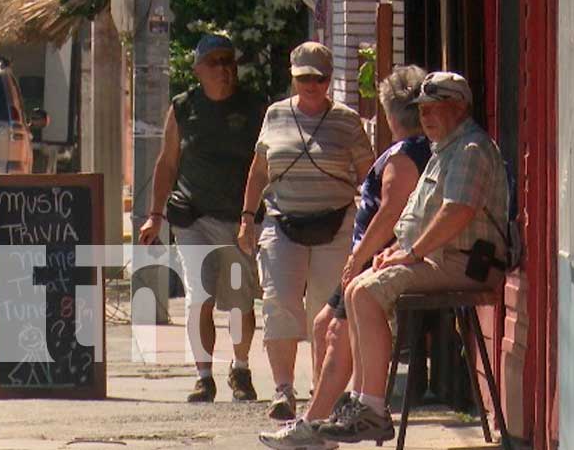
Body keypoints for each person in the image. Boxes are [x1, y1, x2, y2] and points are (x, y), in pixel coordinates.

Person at [313, 71, 509, 445]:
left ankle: (371, 409)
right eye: (423, 110)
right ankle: (363, 403)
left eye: (438, 108)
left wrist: (411, 253)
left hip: (466, 263)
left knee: (368, 292)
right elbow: (420, 216)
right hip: (439, 258)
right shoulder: (443, 149)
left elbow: (457, 212)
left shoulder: (470, 148)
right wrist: (396, 250)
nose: (428, 117)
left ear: (461, 108)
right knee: (359, 288)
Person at [258, 65, 431, 449]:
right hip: (373, 254)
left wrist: (359, 258)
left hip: (378, 258)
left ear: (390, 112)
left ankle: (315, 426)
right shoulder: (413, 150)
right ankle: (323, 422)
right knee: (323, 324)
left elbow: (390, 214)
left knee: (335, 331)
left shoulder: (405, 156)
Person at [238, 41, 374, 421]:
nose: (311, 84)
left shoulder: (347, 121)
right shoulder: (275, 115)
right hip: (283, 221)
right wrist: (248, 217)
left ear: (329, 80)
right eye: (303, 78)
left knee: (324, 309)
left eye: (319, 78)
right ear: (293, 77)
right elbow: (260, 170)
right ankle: (283, 389)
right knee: (279, 300)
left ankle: (322, 390)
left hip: (336, 222)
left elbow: (368, 174)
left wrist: (372, 219)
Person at [138, 34, 265, 403]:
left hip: (240, 218)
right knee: (200, 297)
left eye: (228, 60)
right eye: (215, 62)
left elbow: (266, 162)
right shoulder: (183, 107)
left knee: (241, 301)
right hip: (192, 216)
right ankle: (203, 375)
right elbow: (168, 163)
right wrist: (154, 216)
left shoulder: (255, 107)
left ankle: (240, 369)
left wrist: (257, 213)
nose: (224, 69)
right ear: (198, 70)